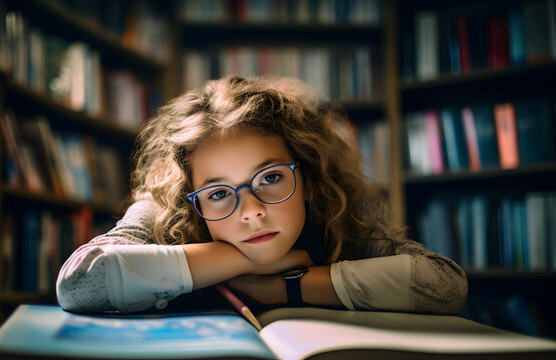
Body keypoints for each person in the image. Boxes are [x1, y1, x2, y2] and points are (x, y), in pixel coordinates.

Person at [56, 76, 467, 314]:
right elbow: (78, 284)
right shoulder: (165, 211)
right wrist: (235, 260)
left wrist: (282, 288)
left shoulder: (329, 219)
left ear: (307, 179)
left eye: (269, 179)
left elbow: (445, 284)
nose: (251, 212)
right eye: (218, 193)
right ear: (190, 198)